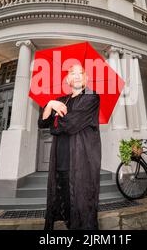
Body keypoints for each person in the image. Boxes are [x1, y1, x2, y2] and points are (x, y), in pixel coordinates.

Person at [38, 64, 101, 230]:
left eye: (81, 73)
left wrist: (55, 122)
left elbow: (71, 123)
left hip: (81, 161)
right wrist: (50, 103)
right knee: (65, 201)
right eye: (73, 73)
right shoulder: (61, 100)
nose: (78, 76)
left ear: (86, 78)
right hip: (61, 159)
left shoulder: (91, 96)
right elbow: (43, 122)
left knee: (82, 202)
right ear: (67, 79)